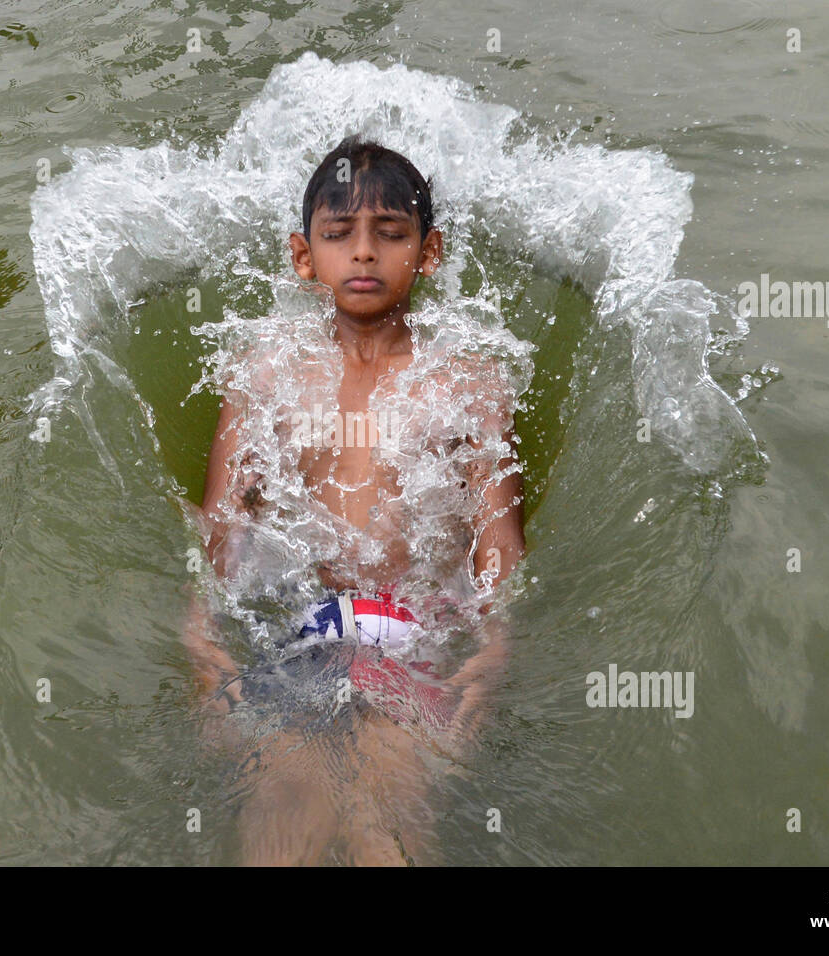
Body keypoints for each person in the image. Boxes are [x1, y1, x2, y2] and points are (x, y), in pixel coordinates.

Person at [183, 134, 525, 865]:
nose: (364, 254)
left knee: (387, 824)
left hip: (413, 638)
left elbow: (499, 542)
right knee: (278, 828)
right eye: (340, 235)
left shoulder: (470, 384)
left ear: (427, 253)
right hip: (299, 637)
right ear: (304, 258)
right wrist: (202, 642)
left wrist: (494, 650)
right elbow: (224, 527)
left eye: (390, 234)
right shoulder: (264, 372)